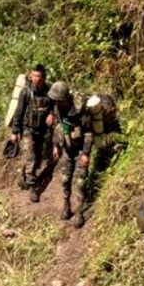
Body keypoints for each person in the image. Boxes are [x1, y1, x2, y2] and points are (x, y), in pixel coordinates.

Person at [71, 93, 125, 229]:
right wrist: (85, 153)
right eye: (111, 113)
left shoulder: (108, 117)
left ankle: (79, 211)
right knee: (80, 178)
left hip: (97, 145)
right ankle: (79, 211)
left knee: (83, 177)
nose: (113, 115)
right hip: (83, 146)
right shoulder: (90, 118)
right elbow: (87, 135)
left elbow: (117, 134)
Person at [8, 64, 52, 202]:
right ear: (31, 76)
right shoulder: (26, 91)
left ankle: (23, 177)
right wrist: (15, 131)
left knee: (37, 157)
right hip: (28, 129)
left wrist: (51, 114)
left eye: (39, 76)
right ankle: (34, 188)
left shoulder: (48, 91)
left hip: (41, 130)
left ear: (44, 77)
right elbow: (19, 111)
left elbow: (54, 107)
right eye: (34, 76)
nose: (36, 79)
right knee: (31, 156)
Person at [48, 82, 85, 220]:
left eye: (58, 100)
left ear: (64, 98)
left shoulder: (79, 110)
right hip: (66, 148)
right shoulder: (57, 107)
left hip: (81, 148)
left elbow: (88, 133)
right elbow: (57, 127)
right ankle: (66, 206)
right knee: (65, 179)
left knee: (80, 182)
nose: (56, 102)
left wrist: (86, 153)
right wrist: (55, 145)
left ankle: (80, 212)